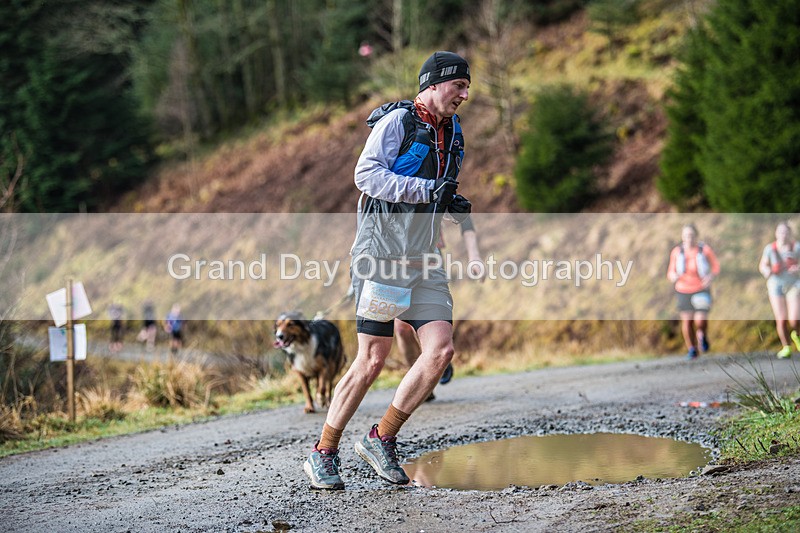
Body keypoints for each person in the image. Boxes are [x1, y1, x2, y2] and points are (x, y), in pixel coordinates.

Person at [304, 51, 472, 490]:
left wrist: (450, 206)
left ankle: (382, 437)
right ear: (433, 83)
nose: (465, 94)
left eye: (467, 86)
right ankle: (323, 451)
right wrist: (426, 190)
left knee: (440, 351)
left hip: (426, 258)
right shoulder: (397, 123)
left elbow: (435, 192)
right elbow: (367, 175)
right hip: (383, 255)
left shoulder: (452, 131)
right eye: (459, 85)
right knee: (372, 359)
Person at [395, 223, 485, 400]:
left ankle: (435, 357)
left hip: (429, 260)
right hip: (396, 263)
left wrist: (474, 257)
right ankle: (421, 381)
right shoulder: (383, 195)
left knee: (422, 322)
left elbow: (464, 217)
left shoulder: (433, 193)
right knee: (401, 328)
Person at [666, 224, 720, 360]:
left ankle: (702, 335)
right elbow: (670, 271)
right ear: (682, 237)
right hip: (683, 289)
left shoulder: (704, 250)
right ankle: (692, 349)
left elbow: (716, 267)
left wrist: (710, 276)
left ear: (696, 236)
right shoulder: (677, 252)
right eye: (686, 236)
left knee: (700, 321)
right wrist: (673, 276)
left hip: (701, 288)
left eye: (691, 235)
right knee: (687, 321)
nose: (689, 238)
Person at [758, 221, 800, 359]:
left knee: (794, 319)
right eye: (780, 232)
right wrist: (767, 270)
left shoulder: (797, 247)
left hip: (793, 285)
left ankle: (797, 335)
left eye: (786, 232)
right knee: (781, 319)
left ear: (790, 233)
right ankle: (786, 347)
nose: (783, 235)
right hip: (775, 286)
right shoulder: (770, 249)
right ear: (776, 233)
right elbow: (763, 265)